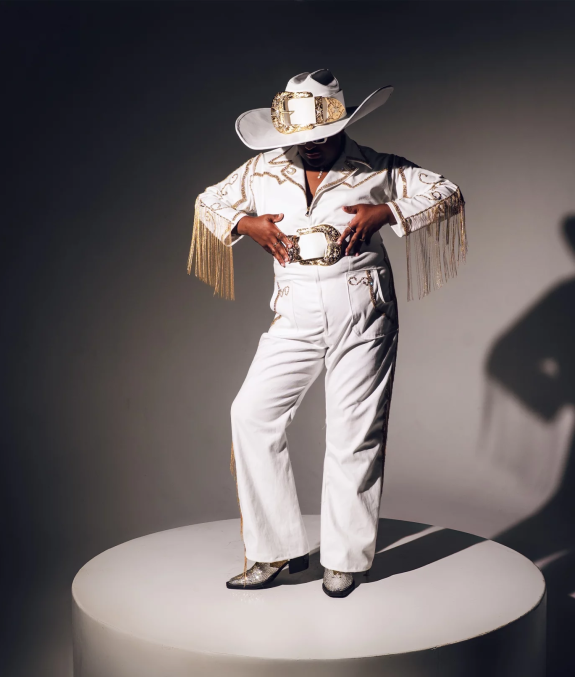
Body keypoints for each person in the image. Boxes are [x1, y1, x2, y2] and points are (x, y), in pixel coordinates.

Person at [187, 69, 467, 597]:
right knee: (251, 414)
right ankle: (274, 550)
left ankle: (345, 559)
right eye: (300, 136)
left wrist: (387, 211)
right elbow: (209, 202)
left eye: (320, 135)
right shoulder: (264, 169)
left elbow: (446, 192)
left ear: (341, 124)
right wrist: (248, 225)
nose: (310, 145)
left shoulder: (376, 166)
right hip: (293, 310)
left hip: (362, 306)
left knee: (353, 432)